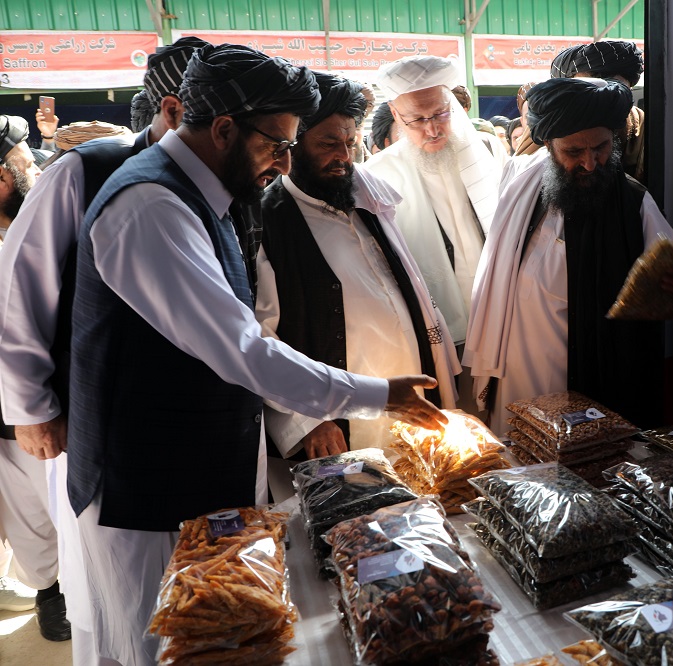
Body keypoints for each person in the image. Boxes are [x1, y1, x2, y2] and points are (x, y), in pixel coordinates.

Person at [66, 44, 445, 666]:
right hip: (147, 488)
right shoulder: (151, 207)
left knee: (221, 641)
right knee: (166, 645)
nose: (284, 162)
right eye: (277, 144)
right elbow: (242, 349)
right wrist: (379, 394)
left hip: (193, 470)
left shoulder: (202, 195)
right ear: (223, 130)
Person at [0, 37, 212, 665]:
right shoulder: (85, 171)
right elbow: (20, 289)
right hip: (94, 421)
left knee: (208, 588)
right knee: (117, 596)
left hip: (194, 419)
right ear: (173, 111)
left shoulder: (225, 176)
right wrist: (30, 407)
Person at [464, 78, 673, 434]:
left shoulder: (634, 204)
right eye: (574, 152)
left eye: (601, 148)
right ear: (549, 146)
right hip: (517, 370)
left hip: (593, 375)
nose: (590, 163)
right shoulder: (522, 188)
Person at [256, 75, 460, 490]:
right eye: (328, 144)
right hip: (341, 417)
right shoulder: (269, 220)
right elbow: (261, 336)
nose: (344, 157)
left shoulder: (367, 198)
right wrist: (309, 419)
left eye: (351, 142)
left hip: (406, 394)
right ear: (294, 143)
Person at [364, 55, 500, 349]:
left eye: (440, 114)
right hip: (432, 326)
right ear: (395, 113)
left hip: (498, 311)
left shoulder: (485, 153)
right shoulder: (378, 173)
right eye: (417, 119)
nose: (433, 129)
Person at [0, 113, 69, 643]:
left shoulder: (36, 228)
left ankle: (62, 593)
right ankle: (52, 595)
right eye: (26, 161)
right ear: (3, 177)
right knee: (31, 517)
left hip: (49, 408)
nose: (35, 168)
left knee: (58, 513)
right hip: (18, 417)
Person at [551, 40, 646, 183]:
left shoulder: (648, 130)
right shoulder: (548, 128)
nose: (602, 105)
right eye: (589, 95)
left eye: (615, 95)